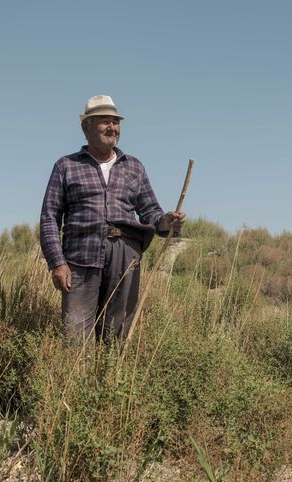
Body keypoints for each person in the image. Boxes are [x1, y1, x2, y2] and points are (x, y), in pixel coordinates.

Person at [39, 95, 185, 341]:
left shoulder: (134, 167)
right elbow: (49, 218)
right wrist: (57, 263)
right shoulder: (66, 166)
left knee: (116, 334)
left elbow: (150, 210)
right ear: (86, 127)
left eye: (116, 122)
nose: (112, 128)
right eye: (104, 121)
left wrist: (166, 222)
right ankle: (76, 377)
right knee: (75, 334)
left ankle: (111, 377)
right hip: (80, 258)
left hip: (125, 256)